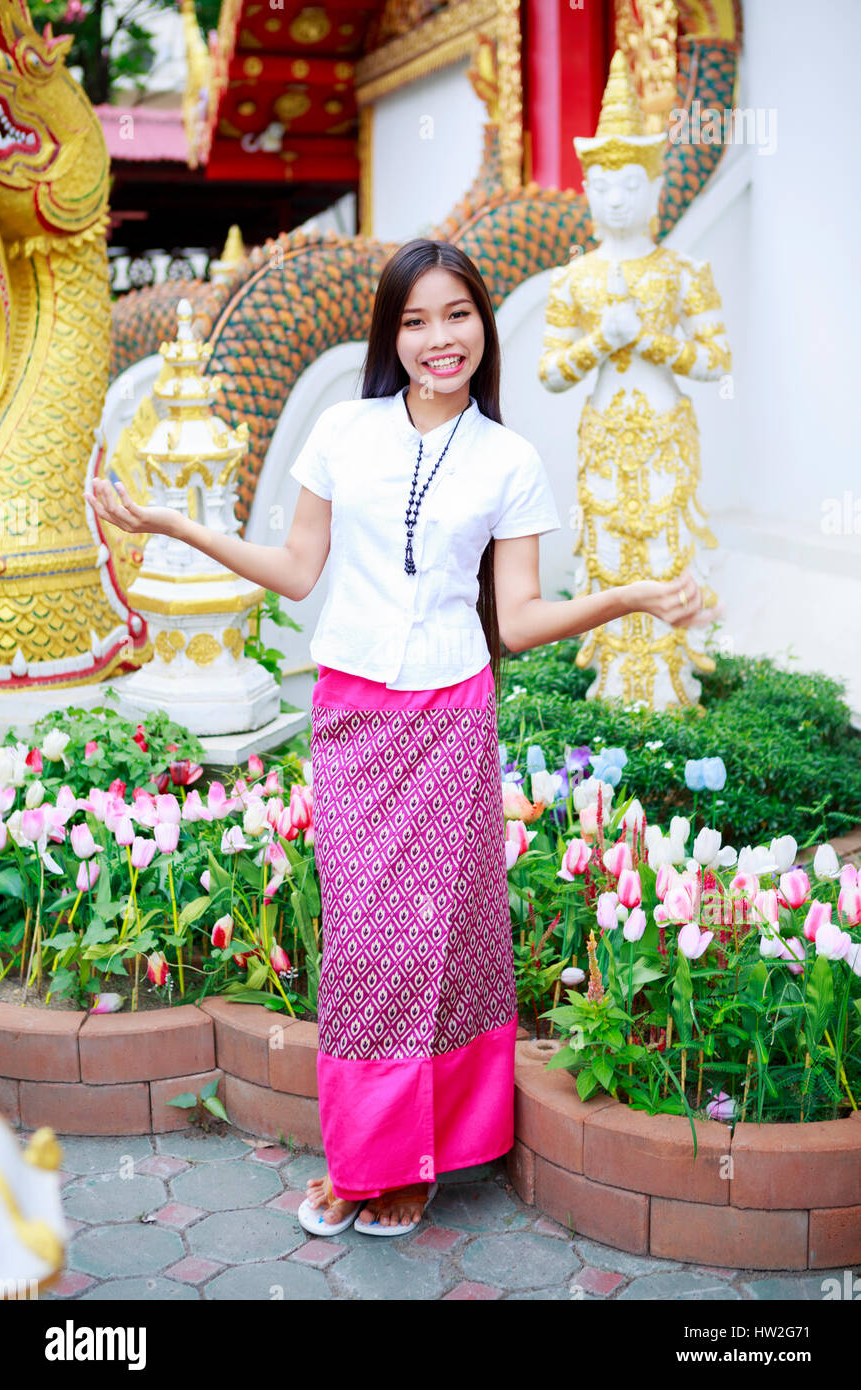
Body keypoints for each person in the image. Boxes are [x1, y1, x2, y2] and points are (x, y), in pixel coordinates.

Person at [86, 238, 703, 1238]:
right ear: (390, 334)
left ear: (480, 325)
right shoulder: (343, 431)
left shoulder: (509, 458)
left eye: (454, 314)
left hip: (451, 715)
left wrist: (628, 596)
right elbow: (294, 568)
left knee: (444, 939)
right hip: (354, 717)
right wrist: (173, 525)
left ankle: (424, 1158)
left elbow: (518, 616)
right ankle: (365, 1156)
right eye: (413, 320)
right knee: (369, 944)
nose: (436, 338)